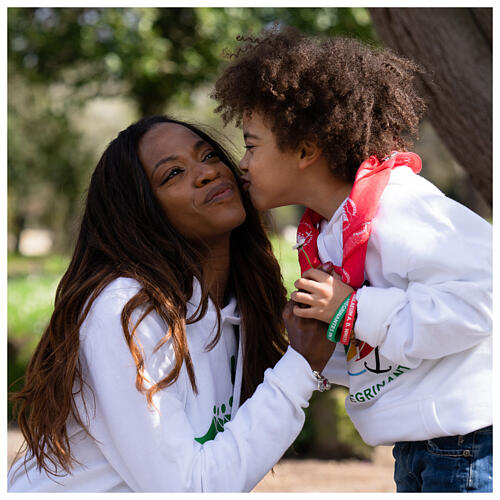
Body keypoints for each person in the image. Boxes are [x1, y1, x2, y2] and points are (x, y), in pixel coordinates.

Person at [212, 27, 493, 492]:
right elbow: (379, 347)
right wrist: (318, 345)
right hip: (422, 447)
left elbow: (485, 299)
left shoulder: (400, 206)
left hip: (467, 443)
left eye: (252, 144)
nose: (242, 163)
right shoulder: (329, 235)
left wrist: (353, 309)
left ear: (305, 150)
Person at [8, 115, 335, 492]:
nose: (207, 173)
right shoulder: (125, 310)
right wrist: (301, 366)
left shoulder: (236, 307)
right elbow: (186, 490)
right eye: (173, 173)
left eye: (210, 155)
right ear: (140, 213)